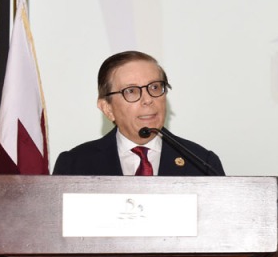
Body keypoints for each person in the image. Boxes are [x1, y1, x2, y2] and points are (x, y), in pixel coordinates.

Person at [52, 50, 224, 175]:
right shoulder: (74, 165)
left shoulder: (202, 163)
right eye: (132, 91)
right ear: (107, 108)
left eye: (155, 87)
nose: (148, 99)